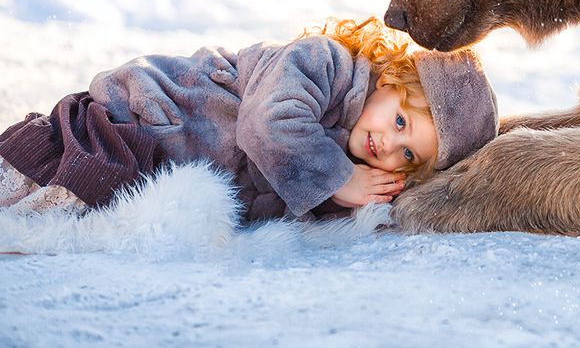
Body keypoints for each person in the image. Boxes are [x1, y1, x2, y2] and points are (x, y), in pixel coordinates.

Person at [0, 17, 498, 221]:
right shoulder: (324, 62)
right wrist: (340, 180)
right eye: (401, 122)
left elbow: (288, 195)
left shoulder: (345, 155)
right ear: (390, 80)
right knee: (65, 184)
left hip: (166, 166)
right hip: (139, 118)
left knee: (106, 212)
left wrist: (358, 199)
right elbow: (266, 125)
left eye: (408, 154)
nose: (389, 144)